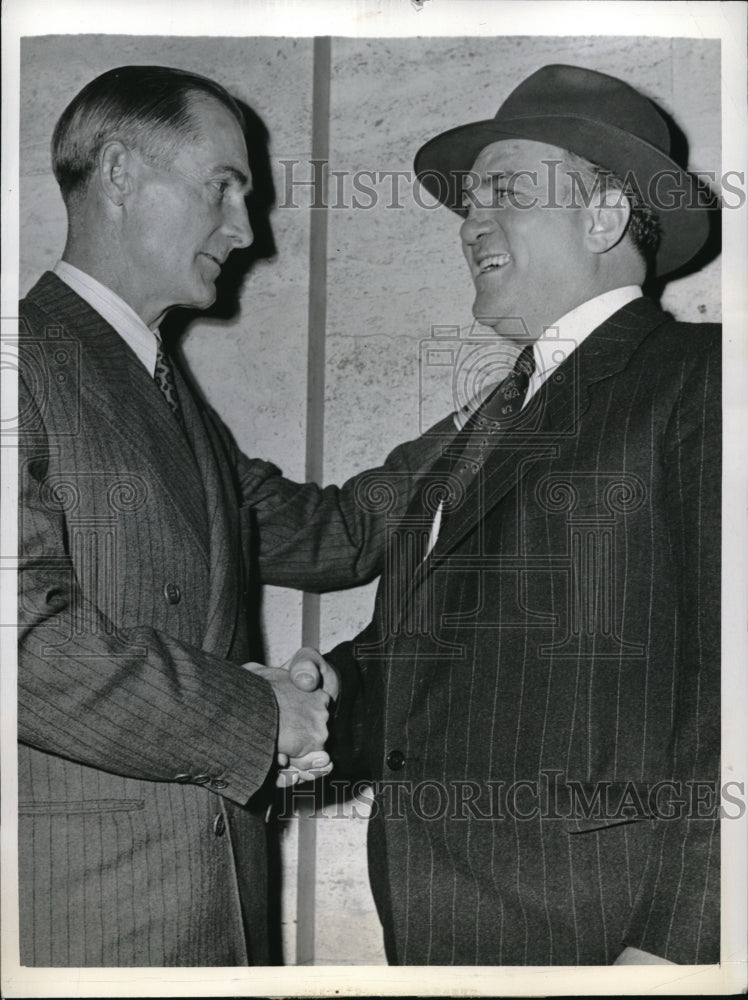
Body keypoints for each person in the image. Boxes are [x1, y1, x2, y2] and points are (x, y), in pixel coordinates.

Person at [16, 64, 449, 967]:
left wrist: (487, 422)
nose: (246, 230)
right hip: (81, 931)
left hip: (218, 920)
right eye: (224, 186)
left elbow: (337, 535)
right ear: (123, 171)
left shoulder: (166, 391)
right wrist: (258, 720)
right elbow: (21, 644)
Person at [317, 64, 721, 965]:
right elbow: (440, 662)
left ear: (606, 215)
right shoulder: (492, 421)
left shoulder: (704, 377)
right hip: (434, 930)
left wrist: (681, 945)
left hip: (604, 937)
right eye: (469, 200)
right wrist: (319, 705)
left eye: (506, 191)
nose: (470, 221)